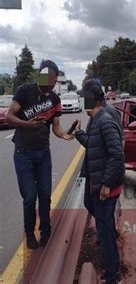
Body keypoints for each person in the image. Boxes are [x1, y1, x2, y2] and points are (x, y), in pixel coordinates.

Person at [6, 60, 73, 249]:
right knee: (29, 196)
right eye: (47, 81)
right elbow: (10, 116)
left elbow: (57, 127)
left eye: (53, 82)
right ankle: (29, 233)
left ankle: (46, 230)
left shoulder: (55, 100)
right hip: (23, 152)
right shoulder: (24, 91)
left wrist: (66, 135)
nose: (50, 85)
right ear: (40, 76)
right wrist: (27, 124)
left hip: (44, 152)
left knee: (44, 195)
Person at [74, 83, 124, 284]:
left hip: (105, 187)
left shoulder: (105, 121)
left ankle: (112, 275)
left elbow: (116, 155)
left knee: (104, 232)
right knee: (103, 226)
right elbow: (93, 145)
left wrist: (106, 184)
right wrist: (79, 134)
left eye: (83, 98)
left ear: (91, 100)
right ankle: (113, 267)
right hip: (97, 183)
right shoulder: (94, 120)